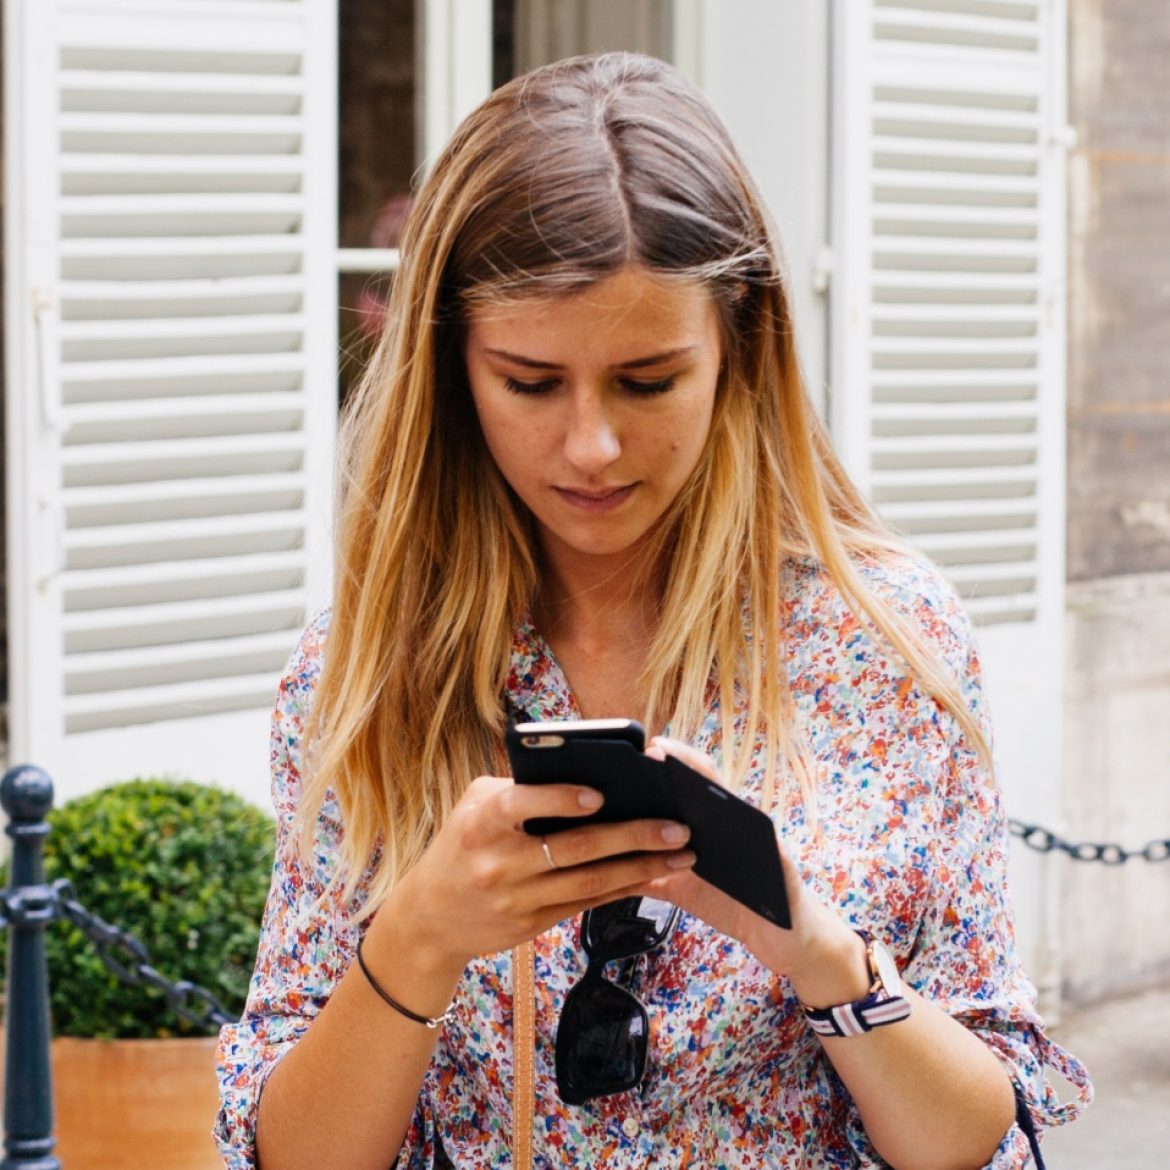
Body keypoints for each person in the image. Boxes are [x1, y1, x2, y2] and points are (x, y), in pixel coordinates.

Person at [215, 52, 1091, 1170]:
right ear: (449, 370)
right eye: (530, 382)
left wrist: (816, 949)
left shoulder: (885, 641)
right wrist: (422, 937)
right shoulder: (365, 670)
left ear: (739, 351)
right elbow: (298, 1155)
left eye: (648, 380)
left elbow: (976, 1136)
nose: (590, 446)